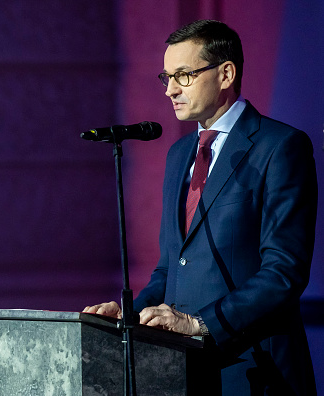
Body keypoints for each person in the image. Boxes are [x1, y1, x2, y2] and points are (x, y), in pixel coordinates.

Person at [83, 20, 317, 395]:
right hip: (181, 372)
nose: (170, 89)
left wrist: (199, 324)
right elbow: (169, 269)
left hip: (254, 370)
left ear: (225, 74)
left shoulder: (280, 146)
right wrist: (129, 316)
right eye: (166, 77)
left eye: (184, 75)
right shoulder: (179, 155)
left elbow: (283, 273)